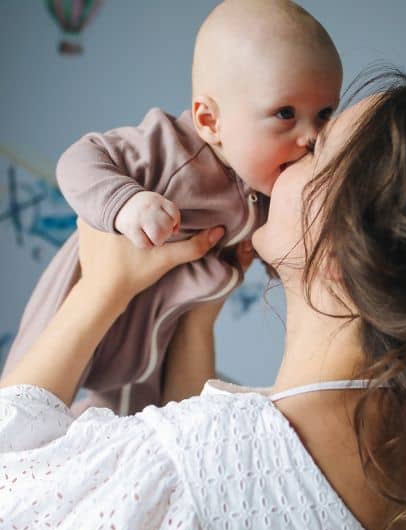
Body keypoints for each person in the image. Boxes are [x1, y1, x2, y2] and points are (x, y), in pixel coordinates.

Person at [1, 68, 406, 530]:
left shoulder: (193, 466)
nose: (285, 156)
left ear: (342, 250)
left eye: (315, 151)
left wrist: (100, 291)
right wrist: (198, 316)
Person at [2, 0, 343, 416]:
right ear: (210, 121)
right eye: (285, 113)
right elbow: (79, 159)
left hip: (158, 333)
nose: (311, 136)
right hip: (86, 300)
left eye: (325, 114)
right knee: (26, 411)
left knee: (134, 425)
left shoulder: (270, 184)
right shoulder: (171, 149)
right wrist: (126, 202)